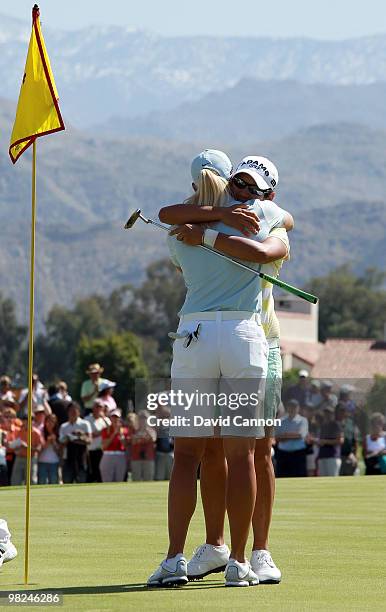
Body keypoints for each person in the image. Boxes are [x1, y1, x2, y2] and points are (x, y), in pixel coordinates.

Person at [148, 154, 292, 587]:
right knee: (241, 454)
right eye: (240, 183)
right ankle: (240, 561)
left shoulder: (178, 231)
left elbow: (167, 213)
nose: (245, 191)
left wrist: (207, 231)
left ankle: (174, 559)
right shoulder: (260, 212)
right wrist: (223, 223)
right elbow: (282, 227)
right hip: (243, 337)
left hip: (192, 336)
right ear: (230, 180)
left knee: (186, 456)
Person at [59, 402, 92, 484]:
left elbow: (89, 440)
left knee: (81, 482)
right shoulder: (64, 426)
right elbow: (61, 443)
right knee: (67, 482)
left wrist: (80, 436)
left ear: (79, 412)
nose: (73, 413)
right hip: (68, 459)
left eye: (75, 411)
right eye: (71, 411)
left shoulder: (85, 424)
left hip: (81, 458)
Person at [274, 400, 308, 478]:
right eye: (290, 406)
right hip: (283, 454)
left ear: (298, 408)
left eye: (294, 407)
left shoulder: (303, 420)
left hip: (298, 453)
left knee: (299, 477)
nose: (292, 408)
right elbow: (277, 437)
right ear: (287, 408)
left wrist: (285, 435)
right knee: (282, 477)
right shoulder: (281, 421)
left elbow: (300, 435)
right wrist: (292, 435)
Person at [9, 415, 43, 485]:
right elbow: (15, 444)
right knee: (15, 481)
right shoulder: (19, 431)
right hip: (19, 458)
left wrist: (27, 447)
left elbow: (39, 449)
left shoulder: (36, 433)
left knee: (31, 481)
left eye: (29, 421)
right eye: (25, 420)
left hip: (31, 459)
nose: (27, 422)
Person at [100, 409, 129, 482]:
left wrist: (120, 434)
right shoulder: (105, 430)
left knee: (119, 480)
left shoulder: (125, 430)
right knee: (107, 480)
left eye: (117, 417)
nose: (115, 419)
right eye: (113, 417)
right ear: (110, 418)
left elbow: (125, 446)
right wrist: (114, 434)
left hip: (120, 456)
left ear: (120, 419)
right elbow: (104, 446)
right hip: (108, 455)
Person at [86, 399, 111, 482]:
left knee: (101, 475)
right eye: (97, 406)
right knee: (91, 475)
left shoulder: (106, 420)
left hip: (102, 451)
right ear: (93, 408)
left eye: (100, 407)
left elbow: (110, 432)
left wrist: (104, 419)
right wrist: (101, 432)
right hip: (90, 451)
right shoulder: (87, 419)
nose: (98, 409)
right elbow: (88, 435)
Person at [316, 406, 344, 477]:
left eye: (329, 413)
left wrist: (325, 441)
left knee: (332, 481)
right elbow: (320, 440)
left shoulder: (336, 425)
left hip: (333, 456)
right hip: (322, 456)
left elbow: (340, 440)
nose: (327, 415)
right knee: (322, 481)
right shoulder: (323, 426)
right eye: (325, 413)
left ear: (332, 414)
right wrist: (318, 442)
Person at [131, 410, 156, 482]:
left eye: (145, 418)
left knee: (148, 479)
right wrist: (141, 436)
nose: (143, 420)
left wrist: (145, 431)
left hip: (149, 458)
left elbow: (153, 438)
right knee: (136, 479)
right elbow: (133, 441)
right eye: (141, 418)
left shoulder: (152, 430)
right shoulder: (134, 430)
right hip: (136, 458)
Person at [335, 403, 359, 476]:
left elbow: (354, 439)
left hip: (349, 455)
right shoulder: (333, 423)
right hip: (337, 455)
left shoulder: (350, 423)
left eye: (343, 411)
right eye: (340, 411)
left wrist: (355, 454)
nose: (342, 413)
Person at [38, 414, 60, 485]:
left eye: (53, 422)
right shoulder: (40, 431)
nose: (50, 423)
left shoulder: (58, 432)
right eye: (49, 421)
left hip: (54, 462)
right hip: (42, 461)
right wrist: (47, 442)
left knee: (53, 482)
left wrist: (53, 442)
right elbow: (39, 449)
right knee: (42, 482)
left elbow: (59, 451)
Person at [154, 405, 174, 481]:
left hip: (171, 454)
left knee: (171, 477)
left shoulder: (174, 426)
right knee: (159, 476)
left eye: (167, 416)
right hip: (160, 453)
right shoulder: (157, 426)